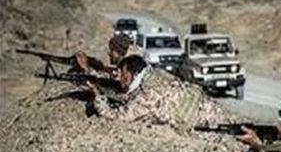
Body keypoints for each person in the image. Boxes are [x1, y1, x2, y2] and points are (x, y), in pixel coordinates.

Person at [86, 55, 230, 129]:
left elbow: (118, 117)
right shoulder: (155, 74)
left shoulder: (146, 93)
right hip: (211, 107)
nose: (121, 79)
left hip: (207, 122)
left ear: (134, 74)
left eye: (124, 75)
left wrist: (97, 96)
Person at [74, 34, 139, 77]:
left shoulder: (126, 69)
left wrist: (87, 69)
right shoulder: (122, 65)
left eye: (112, 50)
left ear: (119, 52)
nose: (109, 53)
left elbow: (111, 83)